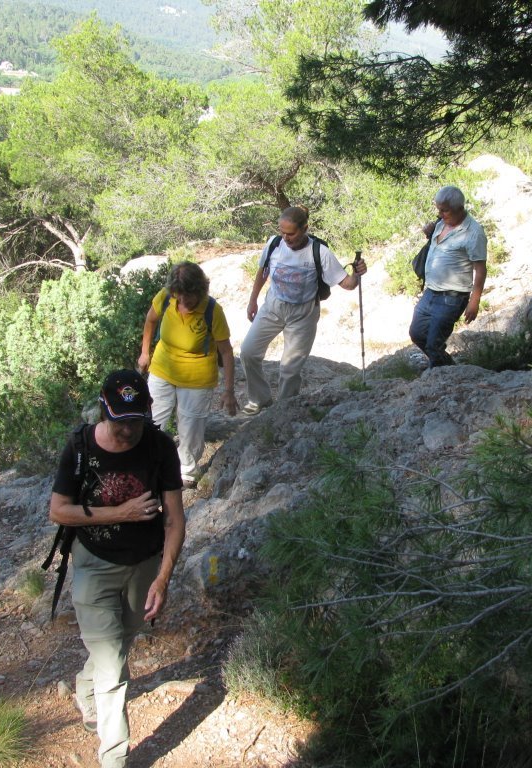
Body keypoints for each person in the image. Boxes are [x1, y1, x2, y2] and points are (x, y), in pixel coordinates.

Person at [49, 370, 185, 768]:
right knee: (112, 666)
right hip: (94, 565)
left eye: (135, 421)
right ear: (103, 410)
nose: (126, 432)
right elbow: (58, 510)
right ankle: (115, 758)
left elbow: (175, 520)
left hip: (143, 565)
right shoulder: (79, 447)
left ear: (148, 410)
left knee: (121, 644)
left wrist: (163, 576)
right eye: (119, 422)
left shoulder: (160, 447)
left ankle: (85, 687)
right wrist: (120, 511)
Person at [241, 206, 368, 414]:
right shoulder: (274, 244)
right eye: (282, 232)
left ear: (304, 229)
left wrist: (357, 274)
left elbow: (347, 284)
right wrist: (252, 300)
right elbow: (263, 272)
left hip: (303, 314)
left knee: (289, 369)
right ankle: (259, 399)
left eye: (290, 233)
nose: (285, 237)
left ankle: (283, 409)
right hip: (273, 306)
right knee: (248, 352)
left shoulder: (319, 252)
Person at [137, 261, 238, 486]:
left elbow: (226, 352)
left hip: (197, 378)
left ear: (200, 290)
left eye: (188, 297)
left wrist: (228, 391)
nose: (183, 302)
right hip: (162, 368)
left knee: (190, 428)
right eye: (179, 296)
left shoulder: (212, 311)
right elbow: (150, 320)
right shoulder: (166, 297)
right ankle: (149, 467)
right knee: (153, 421)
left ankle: (187, 474)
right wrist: (145, 353)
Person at [409, 185, 487, 368]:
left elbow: (481, 270)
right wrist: (430, 233)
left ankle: (439, 376)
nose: (441, 214)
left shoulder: (474, 233)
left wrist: (474, 301)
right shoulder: (441, 223)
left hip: (452, 297)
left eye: (445, 210)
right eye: (439, 210)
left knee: (434, 343)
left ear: (459, 208)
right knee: (417, 333)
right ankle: (449, 368)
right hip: (431, 292)